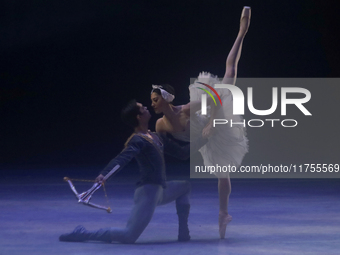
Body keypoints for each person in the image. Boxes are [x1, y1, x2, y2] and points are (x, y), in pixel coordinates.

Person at [150, 7, 251, 239]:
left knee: (229, 76)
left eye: (155, 100)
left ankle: (242, 32)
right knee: (221, 171)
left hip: (212, 120)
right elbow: (162, 149)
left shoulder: (186, 108)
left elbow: (214, 100)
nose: (153, 104)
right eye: (152, 101)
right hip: (201, 138)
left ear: (166, 100)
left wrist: (212, 123)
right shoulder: (160, 126)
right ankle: (223, 214)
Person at [59, 100, 207, 244]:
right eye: (143, 108)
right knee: (128, 236)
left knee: (185, 186)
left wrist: (204, 138)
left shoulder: (157, 136)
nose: (147, 108)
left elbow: (182, 153)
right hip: (148, 192)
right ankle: (83, 234)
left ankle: (183, 232)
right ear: (139, 116)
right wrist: (105, 174)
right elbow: (123, 158)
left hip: (160, 191)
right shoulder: (138, 140)